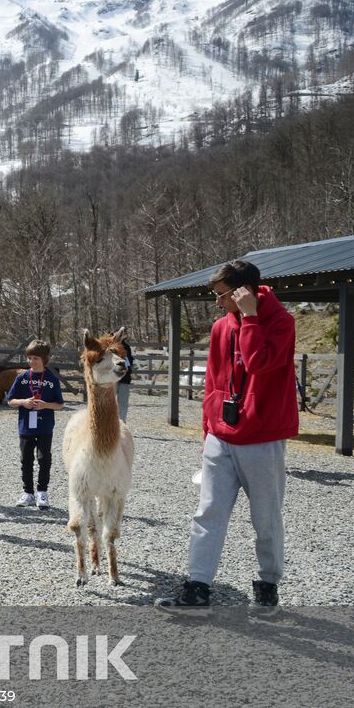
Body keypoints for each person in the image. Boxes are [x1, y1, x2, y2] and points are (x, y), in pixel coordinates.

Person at [156, 260, 297, 614]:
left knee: (265, 517)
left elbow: (258, 363)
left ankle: (267, 586)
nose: (217, 303)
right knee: (208, 513)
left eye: (222, 295)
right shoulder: (221, 328)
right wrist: (208, 431)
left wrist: (250, 319)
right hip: (222, 435)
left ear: (243, 292)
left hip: (262, 437)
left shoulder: (281, 323)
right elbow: (214, 384)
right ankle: (198, 589)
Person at [6, 340, 65, 510]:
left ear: (45, 359)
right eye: (29, 358)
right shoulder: (22, 377)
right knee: (26, 459)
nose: (31, 361)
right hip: (26, 426)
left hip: (45, 426)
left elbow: (59, 404)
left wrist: (45, 405)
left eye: (36, 358)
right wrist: (23, 402)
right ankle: (28, 493)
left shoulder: (52, 379)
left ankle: (42, 492)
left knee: (44, 458)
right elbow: (10, 400)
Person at [117, 339, 134, 422]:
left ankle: (122, 422)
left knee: (123, 402)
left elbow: (129, 363)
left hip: (124, 379)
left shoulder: (126, 347)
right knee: (111, 402)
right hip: (113, 379)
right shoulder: (110, 346)